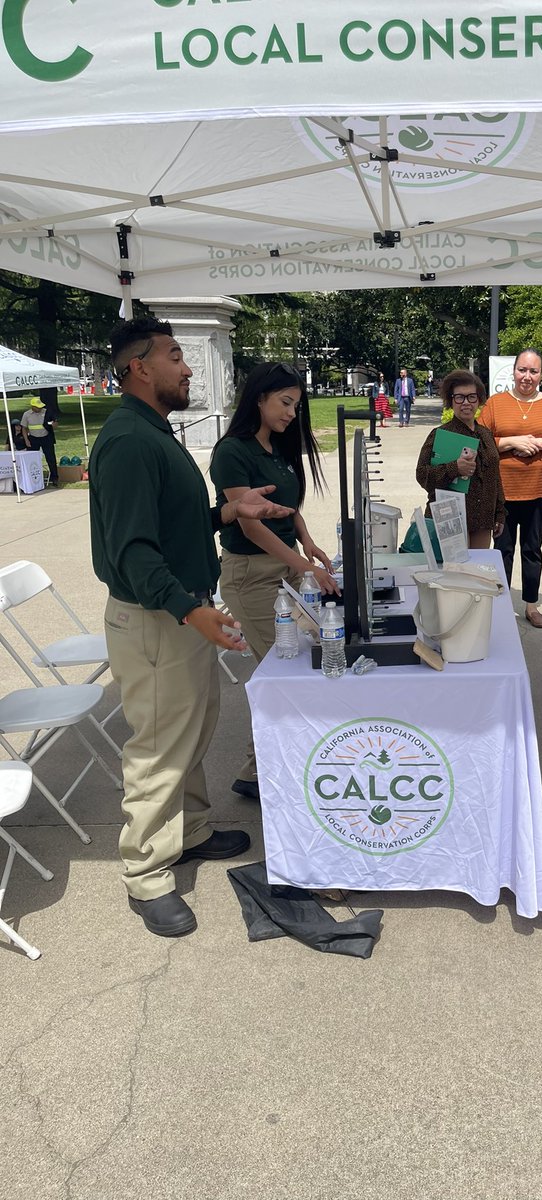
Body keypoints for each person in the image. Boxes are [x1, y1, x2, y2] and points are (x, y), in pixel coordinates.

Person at [90, 317, 295, 939]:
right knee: (158, 744)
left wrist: (227, 510)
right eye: (175, 356)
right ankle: (147, 872)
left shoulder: (155, 431)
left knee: (194, 724)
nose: (186, 366)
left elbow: (171, 526)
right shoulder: (128, 438)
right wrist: (191, 610)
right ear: (139, 368)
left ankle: (192, 830)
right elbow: (132, 551)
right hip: (158, 616)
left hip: (178, 608)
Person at [210, 363, 338, 801]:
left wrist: (310, 547)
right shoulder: (233, 451)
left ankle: (258, 765)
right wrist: (306, 569)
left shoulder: (277, 448)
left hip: (283, 570)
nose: (291, 414)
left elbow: (289, 507)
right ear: (259, 398)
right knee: (282, 668)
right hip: (252, 575)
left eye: (296, 406)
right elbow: (251, 525)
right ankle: (261, 769)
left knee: (286, 667)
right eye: (285, 403)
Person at [479, 349, 542, 627]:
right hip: (502, 494)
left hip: (538, 491)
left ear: (541, 375)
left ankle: (531, 605)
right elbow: (479, 440)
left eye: (533, 371)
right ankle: (499, 606)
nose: (527, 376)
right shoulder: (495, 404)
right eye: (522, 370)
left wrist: (541, 443)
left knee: (532, 549)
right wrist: (512, 442)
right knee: (502, 550)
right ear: (513, 371)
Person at [415, 370, 505, 550]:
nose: (466, 403)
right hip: (449, 521)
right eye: (459, 397)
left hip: (482, 522)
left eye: (471, 397)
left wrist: (500, 513)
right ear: (451, 400)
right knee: (452, 575)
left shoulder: (486, 435)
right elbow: (422, 475)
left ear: (479, 400)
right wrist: (454, 468)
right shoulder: (440, 435)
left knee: (475, 574)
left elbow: (495, 477)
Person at [20, 397, 58, 486]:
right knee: (31, 459)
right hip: (33, 439)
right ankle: (32, 478)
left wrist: (54, 424)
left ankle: (55, 477)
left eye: (40, 407)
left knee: (51, 458)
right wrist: (26, 440)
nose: (40, 409)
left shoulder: (47, 412)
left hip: (46, 438)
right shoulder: (26, 415)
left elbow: (55, 423)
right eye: (37, 407)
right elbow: (24, 428)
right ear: (32, 407)